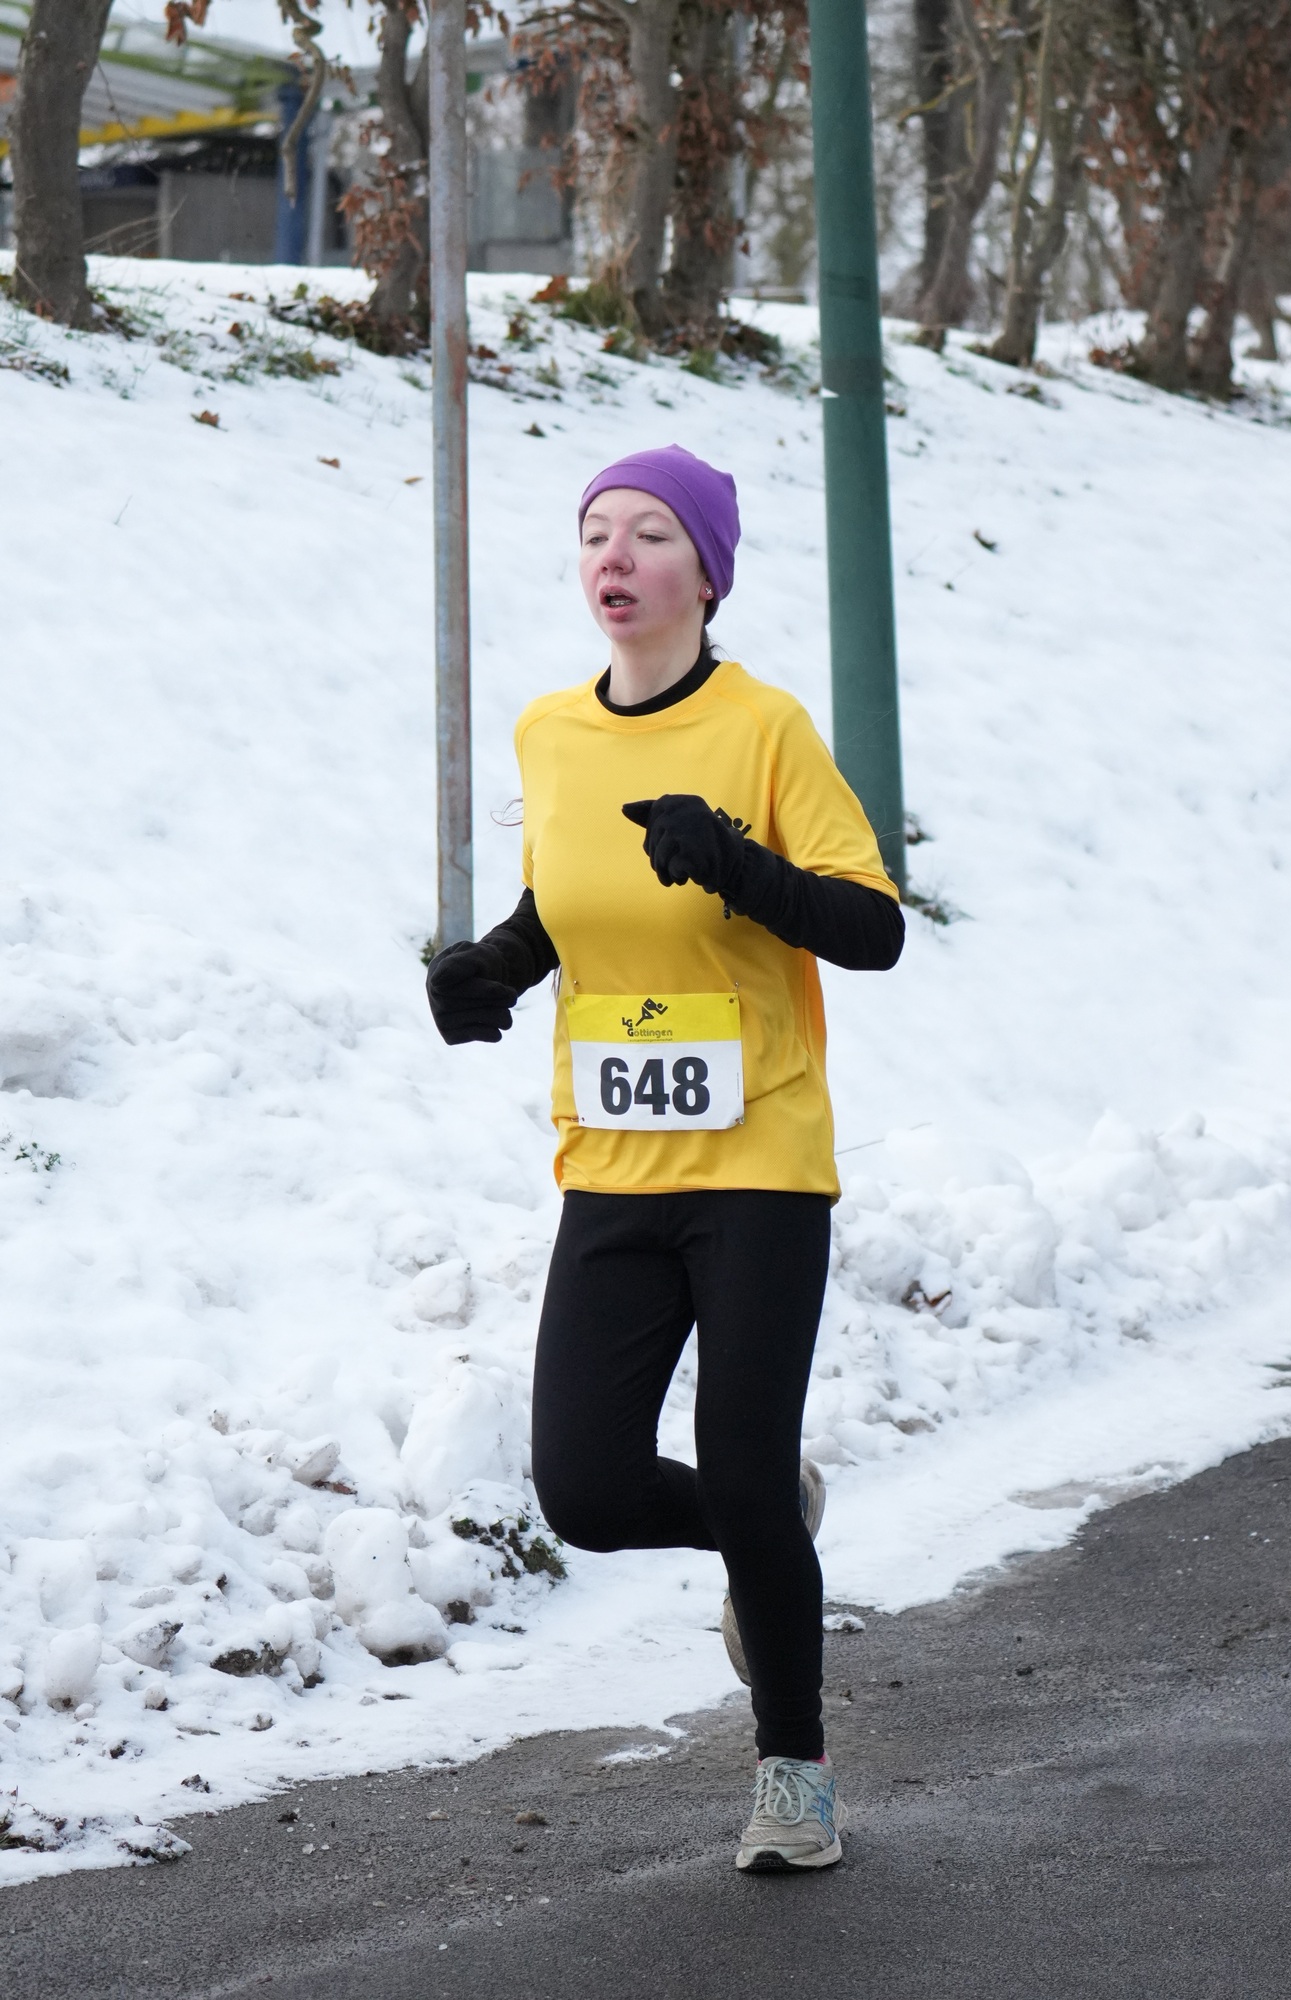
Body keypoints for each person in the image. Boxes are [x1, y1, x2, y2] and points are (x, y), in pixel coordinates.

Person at [426, 444, 904, 1871]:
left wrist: (737, 863)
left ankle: (793, 1777)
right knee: (583, 1489)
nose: (614, 556)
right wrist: (493, 968)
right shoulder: (550, 732)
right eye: (594, 532)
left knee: (737, 1456)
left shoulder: (765, 729)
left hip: (759, 1158)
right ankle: (769, 1527)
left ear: (707, 571)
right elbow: (567, 899)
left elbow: (872, 928)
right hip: (614, 1164)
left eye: (648, 533)